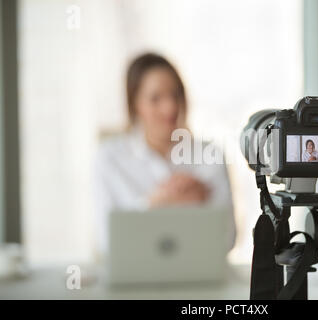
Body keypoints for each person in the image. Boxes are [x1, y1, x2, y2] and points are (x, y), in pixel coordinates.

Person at [93, 53, 235, 256]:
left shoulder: (210, 155)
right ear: (135, 104)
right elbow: (107, 243)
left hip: (197, 277)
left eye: (175, 95)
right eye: (155, 98)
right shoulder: (109, 158)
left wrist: (199, 202)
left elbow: (227, 240)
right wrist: (157, 202)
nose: (170, 107)